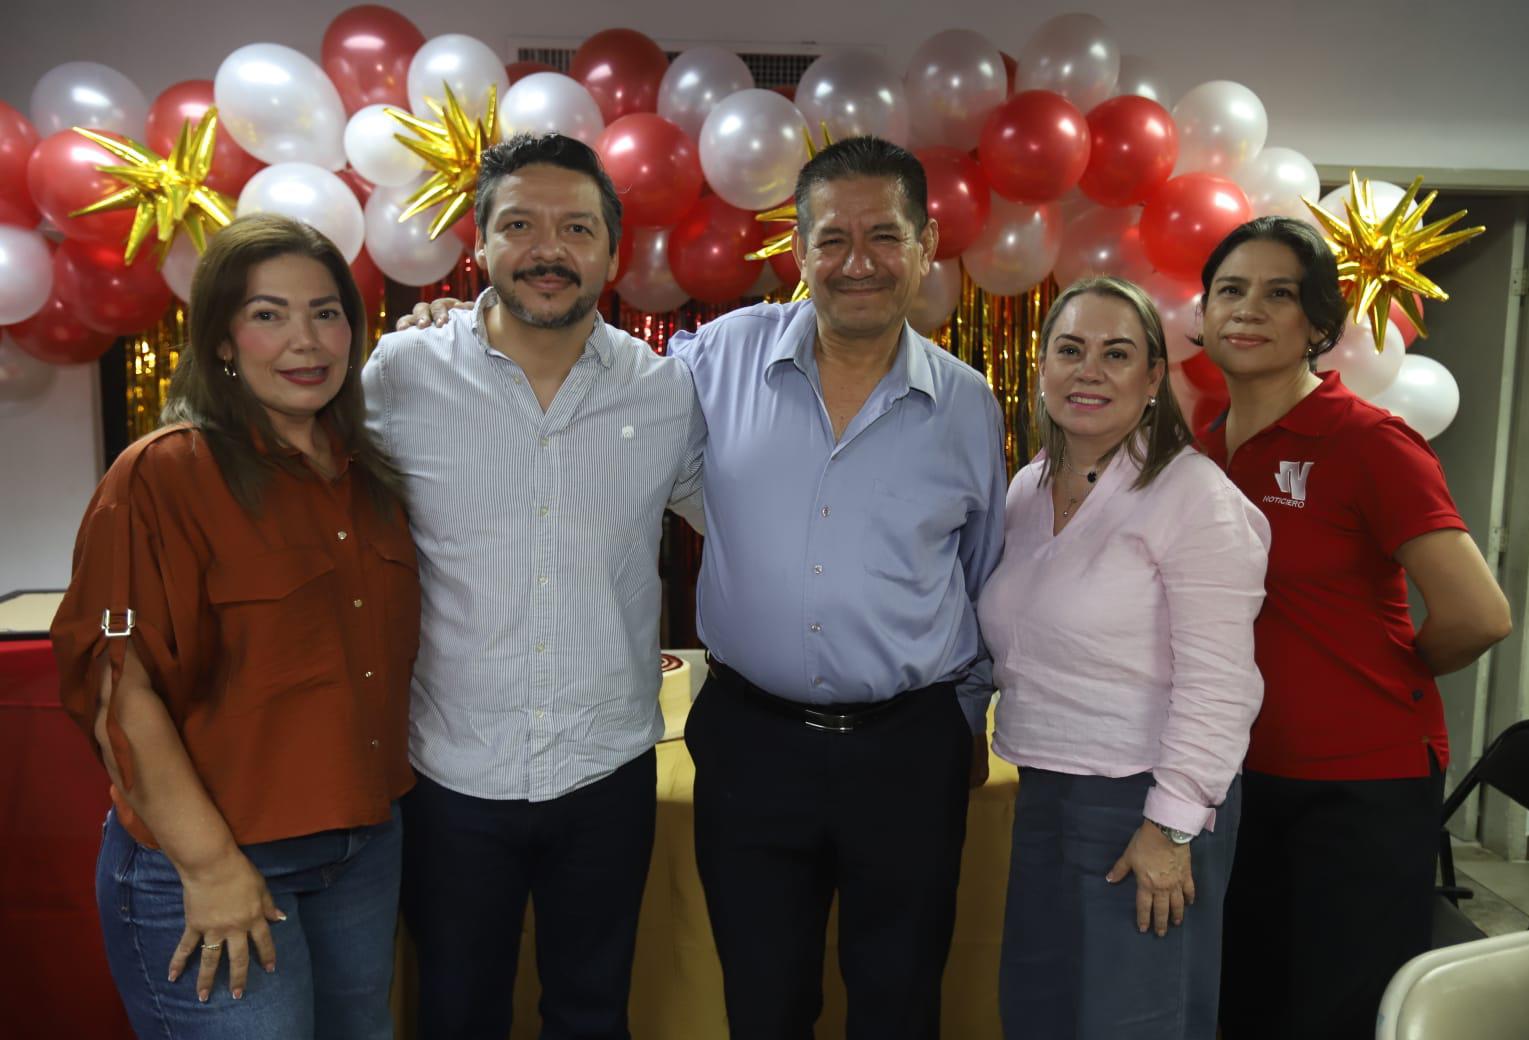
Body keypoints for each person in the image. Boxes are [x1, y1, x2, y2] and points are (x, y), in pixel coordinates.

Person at [401, 134, 1006, 1039]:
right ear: (798, 252)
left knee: (902, 1001)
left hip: (908, 750)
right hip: (752, 745)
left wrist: (960, 720)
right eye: (832, 239)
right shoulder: (712, 361)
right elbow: (578, 366)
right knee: (761, 1003)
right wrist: (456, 323)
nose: (859, 262)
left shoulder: (968, 404)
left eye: (885, 236)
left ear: (926, 246)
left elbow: (980, 571)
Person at [363, 132, 704, 1040]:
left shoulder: (665, 393)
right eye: (520, 225)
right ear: (479, 243)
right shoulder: (401, 375)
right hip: (451, 774)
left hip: (606, 771)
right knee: (455, 1012)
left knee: (592, 1014)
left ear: (612, 254)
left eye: (577, 228)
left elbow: (746, 521)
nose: (548, 250)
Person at [50, 213, 418, 1039]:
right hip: (217, 860)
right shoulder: (162, 476)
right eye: (268, 314)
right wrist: (211, 866)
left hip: (363, 849)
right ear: (222, 339)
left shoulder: (371, 478)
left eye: (326, 313)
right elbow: (120, 694)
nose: (305, 340)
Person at [1192, 216, 1513, 1040]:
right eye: (1230, 289)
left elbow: (1479, 614)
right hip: (1238, 779)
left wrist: (1377, 676)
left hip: (1360, 787)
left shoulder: (1368, 441)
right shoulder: (1202, 450)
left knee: (1334, 1015)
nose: (1248, 309)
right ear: (1203, 312)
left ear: (1319, 325)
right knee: (1243, 1003)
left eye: (1279, 294)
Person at [977, 276, 1270, 1039]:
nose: (1089, 371)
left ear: (1153, 378)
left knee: (1135, 1021)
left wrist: (1171, 827)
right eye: (1070, 350)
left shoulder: (1192, 494)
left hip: (1149, 798)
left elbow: (1221, 683)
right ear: (1041, 366)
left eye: (1116, 354)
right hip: (1045, 788)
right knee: (1041, 1010)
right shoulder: (1027, 489)